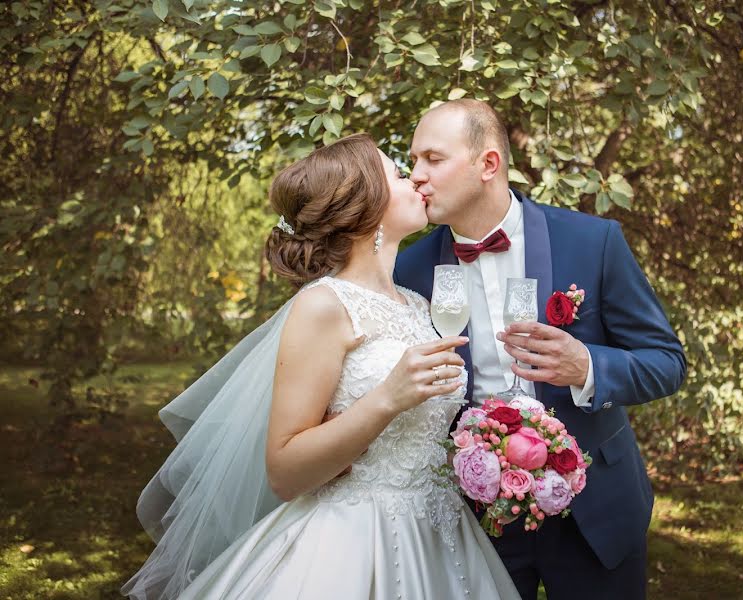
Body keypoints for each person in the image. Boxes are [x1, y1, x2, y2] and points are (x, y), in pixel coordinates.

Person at [122, 133, 520, 599]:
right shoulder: (322, 306)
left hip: (443, 537)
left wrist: (490, 457)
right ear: (363, 207)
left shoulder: (416, 304)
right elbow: (285, 472)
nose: (414, 179)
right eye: (396, 172)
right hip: (353, 542)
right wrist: (387, 398)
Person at [394, 100, 687, 600]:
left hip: (596, 510)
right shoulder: (410, 270)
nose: (416, 175)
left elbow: (667, 362)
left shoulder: (594, 241)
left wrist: (587, 366)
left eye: (433, 159)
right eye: (413, 160)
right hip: (478, 516)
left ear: (488, 164)